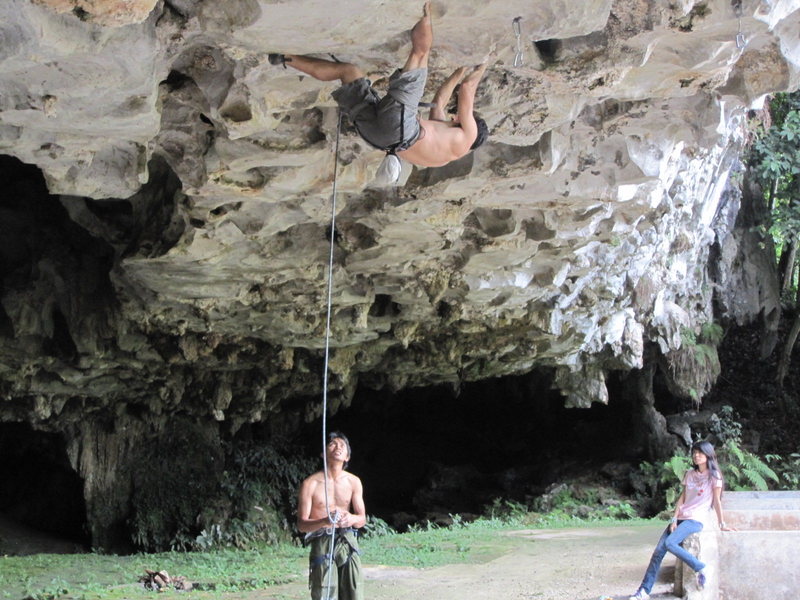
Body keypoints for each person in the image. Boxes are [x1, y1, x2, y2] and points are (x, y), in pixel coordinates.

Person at [269, 2, 489, 175]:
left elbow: (468, 89)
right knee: (348, 73)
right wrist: (459, 71)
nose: (454, 117)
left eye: (460, 119)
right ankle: (287, 59)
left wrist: (485, 64)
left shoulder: (468, 135)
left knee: (420, 54)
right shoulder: (445, 152)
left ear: (471, 127)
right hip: (377, 139)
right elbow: (440, 99)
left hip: (401, 129)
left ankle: (424, 10)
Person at [628, 441, 733, 600]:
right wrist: (674, 519)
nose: (696, 455)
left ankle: (699, 567)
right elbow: (682, 498)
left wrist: (722, 524)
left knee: (670, 543)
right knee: (658, 552)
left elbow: (717, 502)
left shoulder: (714, 476)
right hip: (681, 517)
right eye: (694, 452)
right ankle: (643, 591)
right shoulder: (690, 474)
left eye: (700, 453)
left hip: (695, 520)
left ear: (708, 455)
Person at [297, 432, 366, 600]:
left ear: (347, 457)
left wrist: (351, 518)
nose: (338, 447)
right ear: (323, 453)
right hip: (322, 540)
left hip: (347, 539)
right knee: (325, 593)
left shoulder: (353, 482)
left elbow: (362, 519)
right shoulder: (310, 484)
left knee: (354, 591)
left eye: (342, 445)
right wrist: (325, 521)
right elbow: (301, 524)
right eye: (332, 444)